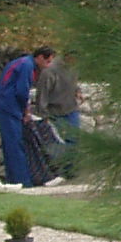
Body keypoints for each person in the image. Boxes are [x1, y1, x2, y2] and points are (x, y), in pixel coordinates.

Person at [0, 46, 56, 188]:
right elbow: (22, 91)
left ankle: (14, 178)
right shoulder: (26, 66)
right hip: (8, 106)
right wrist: (26, 112)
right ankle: (21, 181)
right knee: (15, 143)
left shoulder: (23, 62)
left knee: (12, 143)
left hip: (6, 105)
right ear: (39, 57)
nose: (48, 65)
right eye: (47, 61)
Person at [34, 51, 81, 180]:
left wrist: (77, 91)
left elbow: (73, 83)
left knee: (74, 140)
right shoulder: (49, 72)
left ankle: (71, 170)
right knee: (57, 143)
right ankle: (58, 172)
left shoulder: (74, 68)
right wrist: (44, 116)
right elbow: (42, 96)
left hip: (71, 109)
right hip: (55, 112)